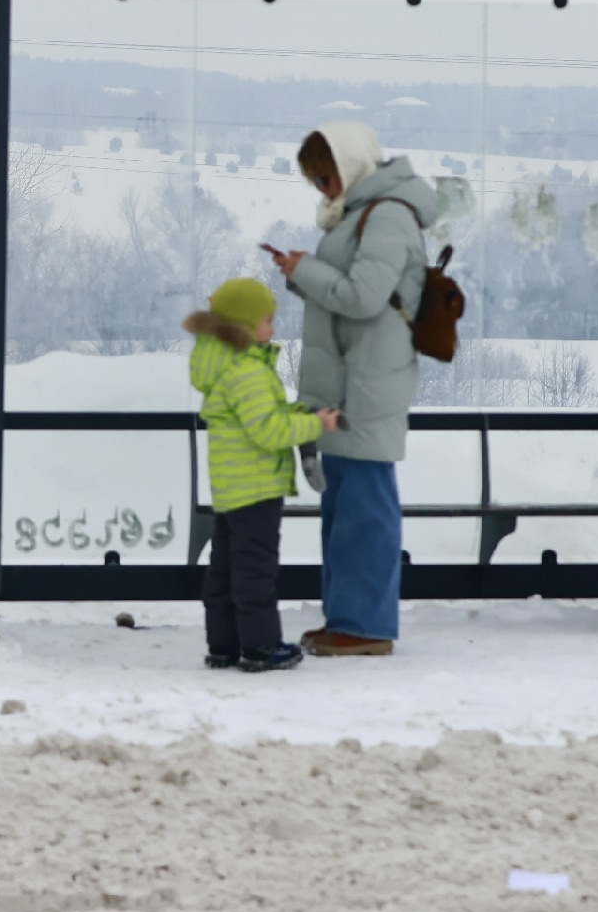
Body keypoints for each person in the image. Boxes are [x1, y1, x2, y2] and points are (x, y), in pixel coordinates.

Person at [265, 121, 435, 657]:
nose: (322, 189)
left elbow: (363, 298)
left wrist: (306, 270)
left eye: (326, 176)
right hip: (348, 381)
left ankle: (364, 625)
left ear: (353, 163)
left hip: (366, 384)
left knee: (363, 508)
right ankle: (348, 618)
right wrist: (304, 271)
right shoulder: (362, 213)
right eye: (314, 180)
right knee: (345, 509)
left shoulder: (385, 215)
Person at [184, 278, 340, 673]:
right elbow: (268, 431)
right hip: (256, 489)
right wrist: (315, 426)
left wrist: (298, 416)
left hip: (232, 489)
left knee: (224, 570)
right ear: (244, 326)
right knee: (255, 571)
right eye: (268, 320)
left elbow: (261, 418)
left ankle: (223, 644)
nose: (273, 328)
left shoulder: (222, 366)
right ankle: (260, 646)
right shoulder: (247, 372)